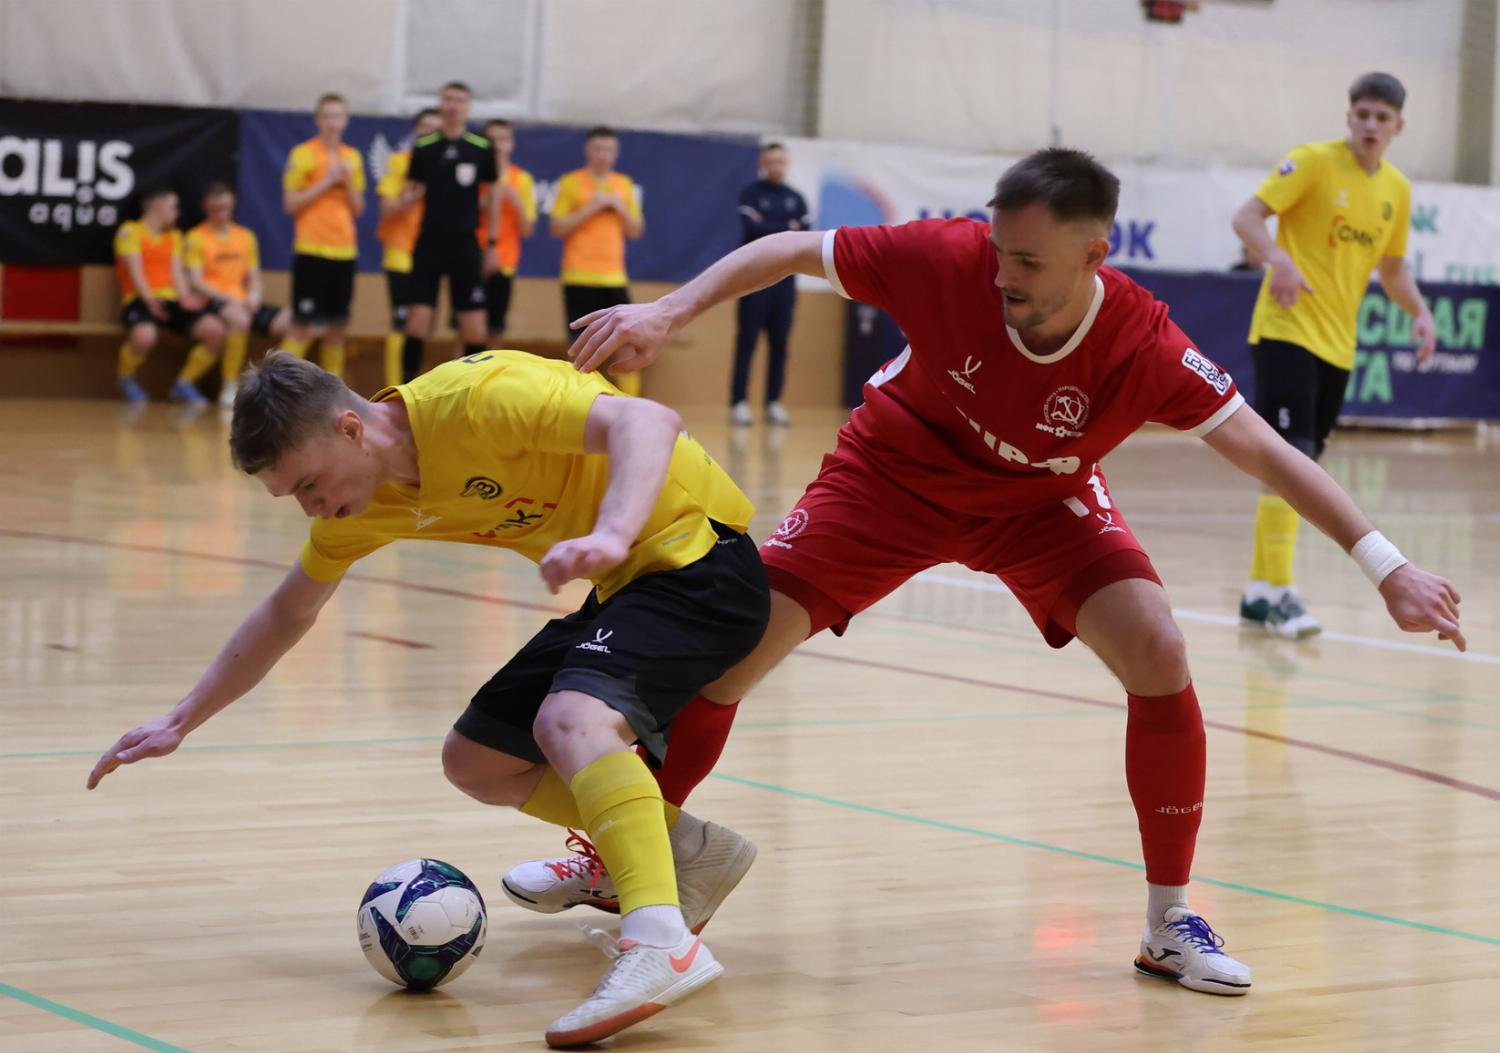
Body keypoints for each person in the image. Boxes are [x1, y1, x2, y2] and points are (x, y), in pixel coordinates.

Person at [522, 147, 1465, 998]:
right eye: (999, 249)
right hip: (892, 472)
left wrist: (1386, 565)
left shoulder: (1142, 343)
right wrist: (668, 309)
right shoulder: (947, 256)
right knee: (732, 651)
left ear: (1094, 255)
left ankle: (1169, 921)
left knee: (1159, 648)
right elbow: (789, 250)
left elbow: (1270, 453)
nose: (1003, 271)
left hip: (1039, 501)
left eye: (1027, 261)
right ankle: (627, 858)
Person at [86, 349, 769, 1047]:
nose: (310, 507)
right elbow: (289, 612)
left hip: (700, 559)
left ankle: (660, 940)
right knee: (478, 759)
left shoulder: (478, 399)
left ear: (351, 428)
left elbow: (647, 420)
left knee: (570, 719)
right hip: (628, 588)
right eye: (292, 496)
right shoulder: (364, 504)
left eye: (310, 483)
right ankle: (692, 850)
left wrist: (613, 533)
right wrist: (181, 719)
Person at [1231, 72, 1435, 640]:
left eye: (1382, 117)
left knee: (1302, 466)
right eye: (1362, 114)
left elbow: (1392, 270)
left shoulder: (1396, 189)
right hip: (1287, 329)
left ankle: (1258, 593)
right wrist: (1279, 259)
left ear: (1397, 127)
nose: (1370, 125)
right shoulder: (1312, 162)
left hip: (1337, 345)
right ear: (1349, 117)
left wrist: (1419, 311)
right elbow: (1247, 217)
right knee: (1291, 460)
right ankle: (1279, 595)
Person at [399, 82, 496, 380]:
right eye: (449, 99)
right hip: (429, 242)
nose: (453, 106)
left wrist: (492, 242)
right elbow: (410, 190)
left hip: (465, 243)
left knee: (475, 327)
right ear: (441, 104)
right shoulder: (424, 146)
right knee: (417, 321)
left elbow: (493, 195)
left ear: (468, 107)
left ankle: (473, 391)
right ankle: (404, 390)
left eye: (460, 100)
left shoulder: (481, 147)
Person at [551, 126, 644, 396]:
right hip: (578, 275)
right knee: (579, 347)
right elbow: (557, 227)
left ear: (616, 153)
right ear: (588, 150)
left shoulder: (623, 184)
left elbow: (636, 230)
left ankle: (630, 402)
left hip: (614, 276)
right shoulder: (571, 182)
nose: (603, 155)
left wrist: (619, 207)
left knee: (627, 344)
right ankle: (577, 404)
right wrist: (590, 208)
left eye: (609, 149)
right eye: (598, 148)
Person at [113, 187, 227, 404]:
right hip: (140, 299)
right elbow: (136, 272)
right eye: (173, 207)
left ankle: (184, 383)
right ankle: (126, 377)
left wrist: (186, 299)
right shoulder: (130, 231)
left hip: (171, 301)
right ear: (158, 205)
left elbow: (177, 274)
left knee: (215, 330)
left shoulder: (174, 236)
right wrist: (150, 301)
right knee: (144, 336)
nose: (177, 212)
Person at [282, 92, 366, 379]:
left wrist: (347, 182)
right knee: (303, 325)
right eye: (327, 116)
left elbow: (358, 209)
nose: (333, 122)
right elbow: (290, 203)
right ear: (318, 120)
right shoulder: (303, 154)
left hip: (344, 249)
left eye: (338, 116)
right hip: (311, 248)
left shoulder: (352, 157)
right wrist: (326, 181)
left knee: (338, 326)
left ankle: (334, 393)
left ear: (346, 121)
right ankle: (279, 388)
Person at [184, 182, 292, 407]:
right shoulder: (196, 237)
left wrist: (254, 295)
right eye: (216, 208)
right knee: (239, 319)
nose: (221, 213)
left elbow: (253, 274)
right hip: (215, 300)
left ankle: (277, 384)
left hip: (243, 300)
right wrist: (231, 299)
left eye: (225, 207)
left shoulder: (245, 236)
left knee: (291, 321)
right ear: (206, 208)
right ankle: (230, 384)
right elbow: (196, 281)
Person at [730, 142, 810, 427]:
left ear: (786, 164)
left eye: (780, 161)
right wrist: (787, 228)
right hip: (753, 282)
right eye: (770, 161)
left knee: (780, 344)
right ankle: (739, 402)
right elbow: (753, 230)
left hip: (785, 284)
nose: (776, 166)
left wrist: (773, 227)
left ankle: (773, 402)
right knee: (747, 342)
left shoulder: (796, 198)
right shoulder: (751, 194)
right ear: (762, 164)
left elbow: (804, 236)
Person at [376, 109, 442, 386]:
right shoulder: (400, 162)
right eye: (425, 127)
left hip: (433, 253)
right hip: (402, 250)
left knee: (422, 324)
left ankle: (412, 384)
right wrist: (409, 197)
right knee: (401, 320)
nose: (430, 133)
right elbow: (386, 207)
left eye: (436, 129)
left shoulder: (447, 165)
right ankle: (394, 388)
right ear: (416, 132)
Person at [475, 118, 537, 346]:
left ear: (512, 143)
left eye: (503, 139)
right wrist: (486, 201)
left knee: (495, 328)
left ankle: (492, 369)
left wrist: (516, 202)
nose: (498, 145)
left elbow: (528, 229)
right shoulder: (474, 174)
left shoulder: (522, 179)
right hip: (472, 258)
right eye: (492, 140)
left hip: (505, 261)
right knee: (467, 326)